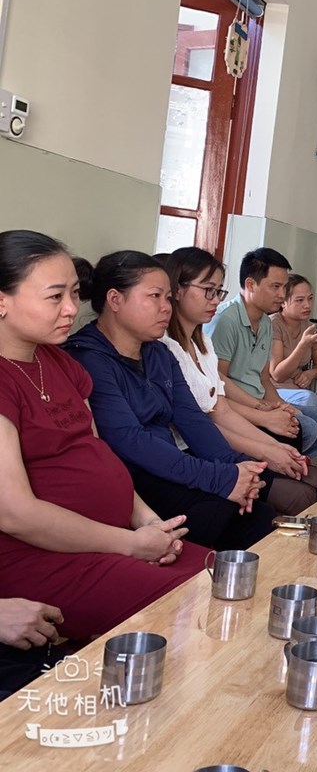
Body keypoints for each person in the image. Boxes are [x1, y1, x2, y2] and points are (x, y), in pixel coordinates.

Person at [0, 230, 205, 647]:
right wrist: (130, 545)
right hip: (42, 558)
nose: (71, 309)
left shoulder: (58, 361)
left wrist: (147, 521)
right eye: (55, 297)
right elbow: (15, 514)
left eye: (74, 293)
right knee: (195, 608)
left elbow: (97, 452)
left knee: (223, 572)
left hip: (110, 538)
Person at [67, 250, 276, 550]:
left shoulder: (159, 353)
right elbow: (130, 440)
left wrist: (240, 469)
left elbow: (193, 420)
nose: (166, 307)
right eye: (155, 296)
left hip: (171, 469)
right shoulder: (88, 359)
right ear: (115, 300)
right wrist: (221, 478)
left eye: (168, 297)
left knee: (260, 511)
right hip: (132, 482)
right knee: (233, 515)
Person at [163, 248, 317, 514]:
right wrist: (265, 433)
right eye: (208, 290)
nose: (215, 300)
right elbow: (207, 419)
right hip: (197, 449)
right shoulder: (171, 346)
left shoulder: (203, 342)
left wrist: (273, 422)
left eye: (218, 291)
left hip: (227, 430)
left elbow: (230, 399)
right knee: (302, 491)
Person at [204, 248, 317, 458]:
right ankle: (284, 462)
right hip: (238, 408)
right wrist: (262, 408)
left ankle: (290, 461)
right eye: (275, 287)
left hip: (261, 401)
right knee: (306, 428)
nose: (282, 295)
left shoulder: (265, 322)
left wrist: (282, 406)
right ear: (251, 285)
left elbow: (264, 378)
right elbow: (218, 380)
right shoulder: (226, 320)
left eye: (284, 287)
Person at [268, 273, 317, 457]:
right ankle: (293, 458)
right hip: (274, 391)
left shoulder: (308, 327)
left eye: (310, 299)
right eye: (299, 300)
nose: (307, 305)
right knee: (309, 399)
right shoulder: (273, 325)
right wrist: (303, 344)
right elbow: (277, 374)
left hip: (297, 391)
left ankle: (302, 459)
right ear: (283, 302)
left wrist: (310, 374)